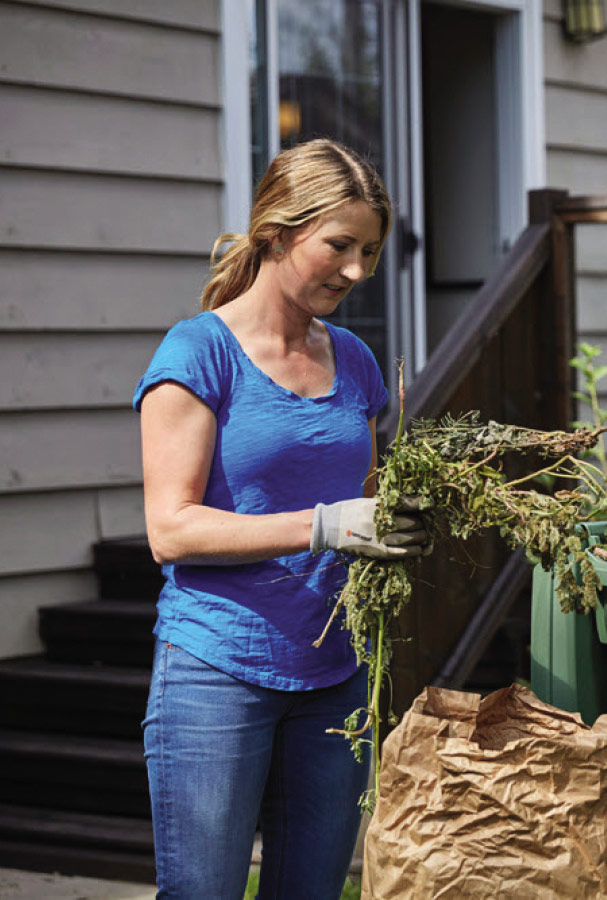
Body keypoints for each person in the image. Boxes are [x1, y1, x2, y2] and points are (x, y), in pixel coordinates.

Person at [135, 138, 425, 899]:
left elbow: (362, 494)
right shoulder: (199, 354)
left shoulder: (355, 361)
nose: (358, 270)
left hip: (335, 672)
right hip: (217, 671)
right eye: (340, 245)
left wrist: (393, 526)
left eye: (369, 251)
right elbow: (172, 529)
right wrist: (324, 525)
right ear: (276, 232)